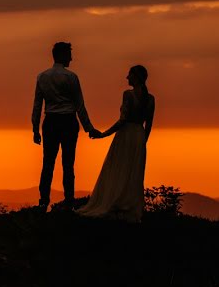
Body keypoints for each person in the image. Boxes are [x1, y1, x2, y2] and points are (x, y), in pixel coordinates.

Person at [77, 65, 155, 223]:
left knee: (118, 169)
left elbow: (123, 120)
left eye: (130, 75)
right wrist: (142, 142)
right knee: (133, 173)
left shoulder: (127, 95)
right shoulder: (151, 98)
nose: (127, 77)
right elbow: (149, 125)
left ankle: (114, 203)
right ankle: (128, 205)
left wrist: (104, 134)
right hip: (139, 137)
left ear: (136, 77)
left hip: (125, 135)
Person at [32, 42, 100, 210]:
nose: (71, 58)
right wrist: (89, 128)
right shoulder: (71, 77)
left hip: (50, 122)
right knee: (68, 163)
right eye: (69, 54)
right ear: (62, 55)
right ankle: (69, 200)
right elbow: (79, 105)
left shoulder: (42, 77)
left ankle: (43, 201)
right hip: (68, 121)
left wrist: (35, 129)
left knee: (48, 162)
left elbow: (37, 106)